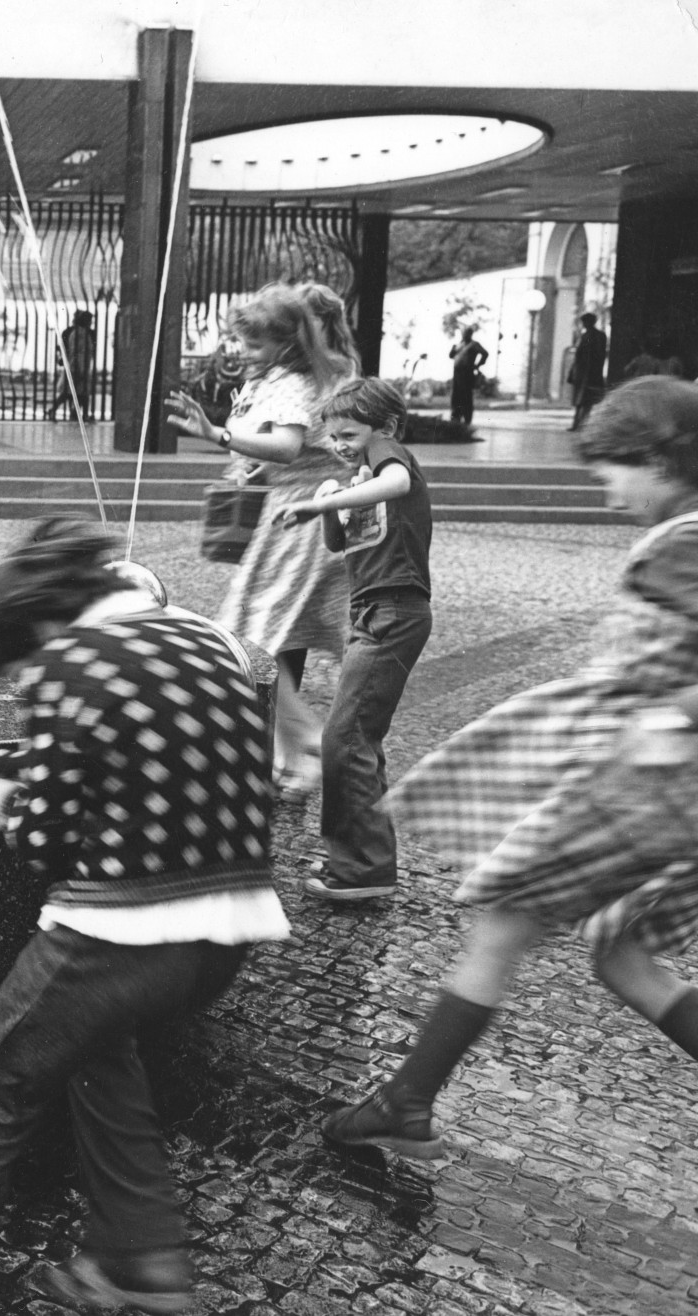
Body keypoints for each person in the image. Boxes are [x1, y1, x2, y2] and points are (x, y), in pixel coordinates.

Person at [0, 517, 279, 1316]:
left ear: (45, 622)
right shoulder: (200, 641)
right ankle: (146, 1269)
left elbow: (48, 843)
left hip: (117, 938)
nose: (26, 675)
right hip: (231, 930)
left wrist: (6, 809)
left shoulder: (67, 664)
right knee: (98, 1054)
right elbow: (95, 753)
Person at [323, 376, 698, 1160]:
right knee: (623, 957)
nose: (607, 495)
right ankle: (407, 1099)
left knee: (499, 926)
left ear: (662, 461)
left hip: (650, 785)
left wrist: (674, 718)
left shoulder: (684, 542)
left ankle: (407, 1100)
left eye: (613, 473)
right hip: (667, 791)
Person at [166, 283, 354, 798]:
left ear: (287, 341)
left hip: (301, 521)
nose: (241, 352)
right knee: (264, 638)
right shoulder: (303, 374)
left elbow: (288, 447)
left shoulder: (294, 381)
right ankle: (295, 756)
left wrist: (217, 434)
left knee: (250, 640)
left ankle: (309, 744)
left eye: (252, 344)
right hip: (296, 518)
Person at [276, 379, 433, 901]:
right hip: (369, 611)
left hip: (396, 609)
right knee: (353, 738)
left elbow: (397, 486)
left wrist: (332, 498)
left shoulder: (389, 455)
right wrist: (327, 503)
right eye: (333, 437)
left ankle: (364, 869)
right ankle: (365, 862)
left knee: (344, 739)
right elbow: (340, 543)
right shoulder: (358, 474)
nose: (341, 444)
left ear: (383, 427)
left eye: (349, 433)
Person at [48, 310, 96, 422]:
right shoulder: (79, 334)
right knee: (73, 393)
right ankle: (81, 415)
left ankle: (82, 414)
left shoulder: (82, 333)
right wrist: (79, 369)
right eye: (89, 320)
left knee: (78, 393)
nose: (91, 322)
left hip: (80, 366)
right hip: (77, 368)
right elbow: (75, 352)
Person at [568, 312, 608, 431]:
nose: (584, 324)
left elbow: (593, 355)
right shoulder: (593, 335)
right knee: (584, 400)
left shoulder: (592, 336)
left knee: (584, 399)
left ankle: (580, 424)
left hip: (587, 372)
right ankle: (579, 423)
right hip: (586, 372)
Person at [448, 327, 488, 427]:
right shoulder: (459, 344)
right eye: (463, 333)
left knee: (466, 396)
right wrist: (453, 349)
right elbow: (451, 356)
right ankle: (455, 417)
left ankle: (467, 418)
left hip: (467, 373)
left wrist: (478, 365)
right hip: (457, 373)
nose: (464, 335)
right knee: (456, 396)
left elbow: (485, 353)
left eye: (466, 333)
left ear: (470, 334)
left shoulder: (474, 344)